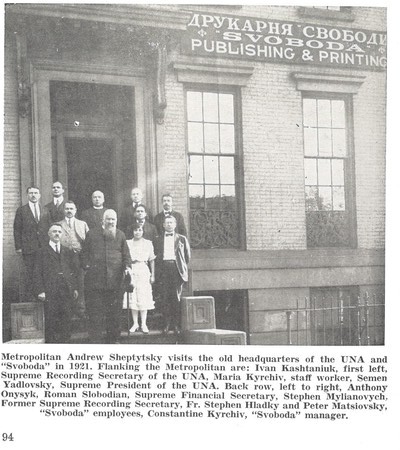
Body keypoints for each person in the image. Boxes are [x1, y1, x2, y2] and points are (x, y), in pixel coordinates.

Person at [81, 209, 132, 344]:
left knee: (114, 314)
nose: (110, 222)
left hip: (115, 282)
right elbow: (84, 254)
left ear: (116, 221)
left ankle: (113, 339)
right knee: (95, 314)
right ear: (102, 220)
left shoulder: (120, 235)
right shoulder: (91, 234)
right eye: (108, 219)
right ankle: (95, 341)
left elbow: (126, 255)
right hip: (95, 283)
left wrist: (127, 268)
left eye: (113, 219)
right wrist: (87, 267)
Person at [34, 223, 79, 343]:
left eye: (59, 232)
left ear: (62, 234)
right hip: (50, 290)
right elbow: (37, 272)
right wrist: (40, 290)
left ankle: (65, 343)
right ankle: (51, 345)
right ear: (49, 234)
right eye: (54, 231)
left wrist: (74, 288)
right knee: (51, 319)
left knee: (66, 318)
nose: (57, 234)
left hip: (65, 289)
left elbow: (73, 271)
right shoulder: (41, 252)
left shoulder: (67, 251)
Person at [154, 216, 191, 335]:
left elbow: (187, 256)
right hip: (163, 269)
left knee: (176, 298)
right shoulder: (158, 239)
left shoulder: (182, 239)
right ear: (163, 225)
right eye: (167, 223)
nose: (169, 225)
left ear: (175, 224)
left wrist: (180, 267)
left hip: (176, 269)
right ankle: (166, 325)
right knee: (164, 298)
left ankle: (176, 325)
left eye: (171, 222)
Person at [13, 186, 45, 301]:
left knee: (42, 272)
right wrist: (19, 247)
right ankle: (31, 298)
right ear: (27, 195)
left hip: (42, 247)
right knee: (30, 273)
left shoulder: (45, 210)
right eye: (31, 193)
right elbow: (17, 229)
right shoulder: (21, 210)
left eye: (36, 193)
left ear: (39, 195)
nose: (33, 195)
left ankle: (41, 297)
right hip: (28, 248)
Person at [58, 201, 89, 317]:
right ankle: (68, 310)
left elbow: (88, 242)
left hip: (79, 257)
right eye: (67, 209)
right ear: (63, 211)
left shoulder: (83, 224)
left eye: (71, 209)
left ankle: (81, 310)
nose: (69, 211)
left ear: (75, 210)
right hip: (64, 258)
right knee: (68, 282)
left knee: (81, 282)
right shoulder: (58, 224)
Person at [123, 223, 155, 334]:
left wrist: (153, 275)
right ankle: (135, 323)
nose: (137, 232)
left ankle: (144, 324)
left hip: (143, 269)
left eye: (140, 230)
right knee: (133, 297)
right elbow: (125, 258)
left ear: (143, 231)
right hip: (132, 269)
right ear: (132, 231)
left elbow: (152, 260)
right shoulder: (128, 243)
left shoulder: (148, 243)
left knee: (143, 296)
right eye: (135, 230)